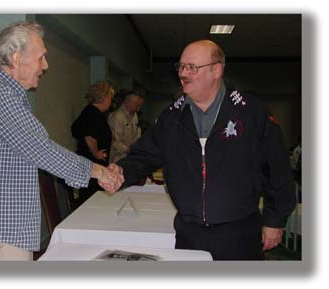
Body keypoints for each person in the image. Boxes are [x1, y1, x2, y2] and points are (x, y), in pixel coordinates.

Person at [108, 40, 296, 260]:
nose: (183, 74)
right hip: (190, 233)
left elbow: (278, 168)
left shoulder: (252, 113)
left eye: (192, 68)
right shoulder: (172, 118)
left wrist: (275, 220)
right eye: (181, 67)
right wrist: (120, 173)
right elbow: (144, 155)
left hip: (240, 234)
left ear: (216, 70)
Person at [0, 21, 123, 261]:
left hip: (1, 224)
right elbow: (41, 150)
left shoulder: (2, 92)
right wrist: (100, 172)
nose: (45, 66)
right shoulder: (0, 95)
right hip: (1, 227)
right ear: (16, 59)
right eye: (41, 58)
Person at [71, 81, 114, 206]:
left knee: (90, 196)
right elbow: (89, 136)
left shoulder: (90, 112)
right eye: (110, 97)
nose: (111, 101)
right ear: (103, 98)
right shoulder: (92, 114)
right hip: (91, 162)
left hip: (89, 162)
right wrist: (96, 153)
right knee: (90, 197)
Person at [108, 91, 144, 163]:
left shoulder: (134, 116)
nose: (138, 109)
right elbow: (114, 143)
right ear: (128, 102)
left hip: (128, 158)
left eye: (140, 106)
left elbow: (136, 135)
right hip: (116, 159)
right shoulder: (116, 117)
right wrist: (129, 150)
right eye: (137, 106)